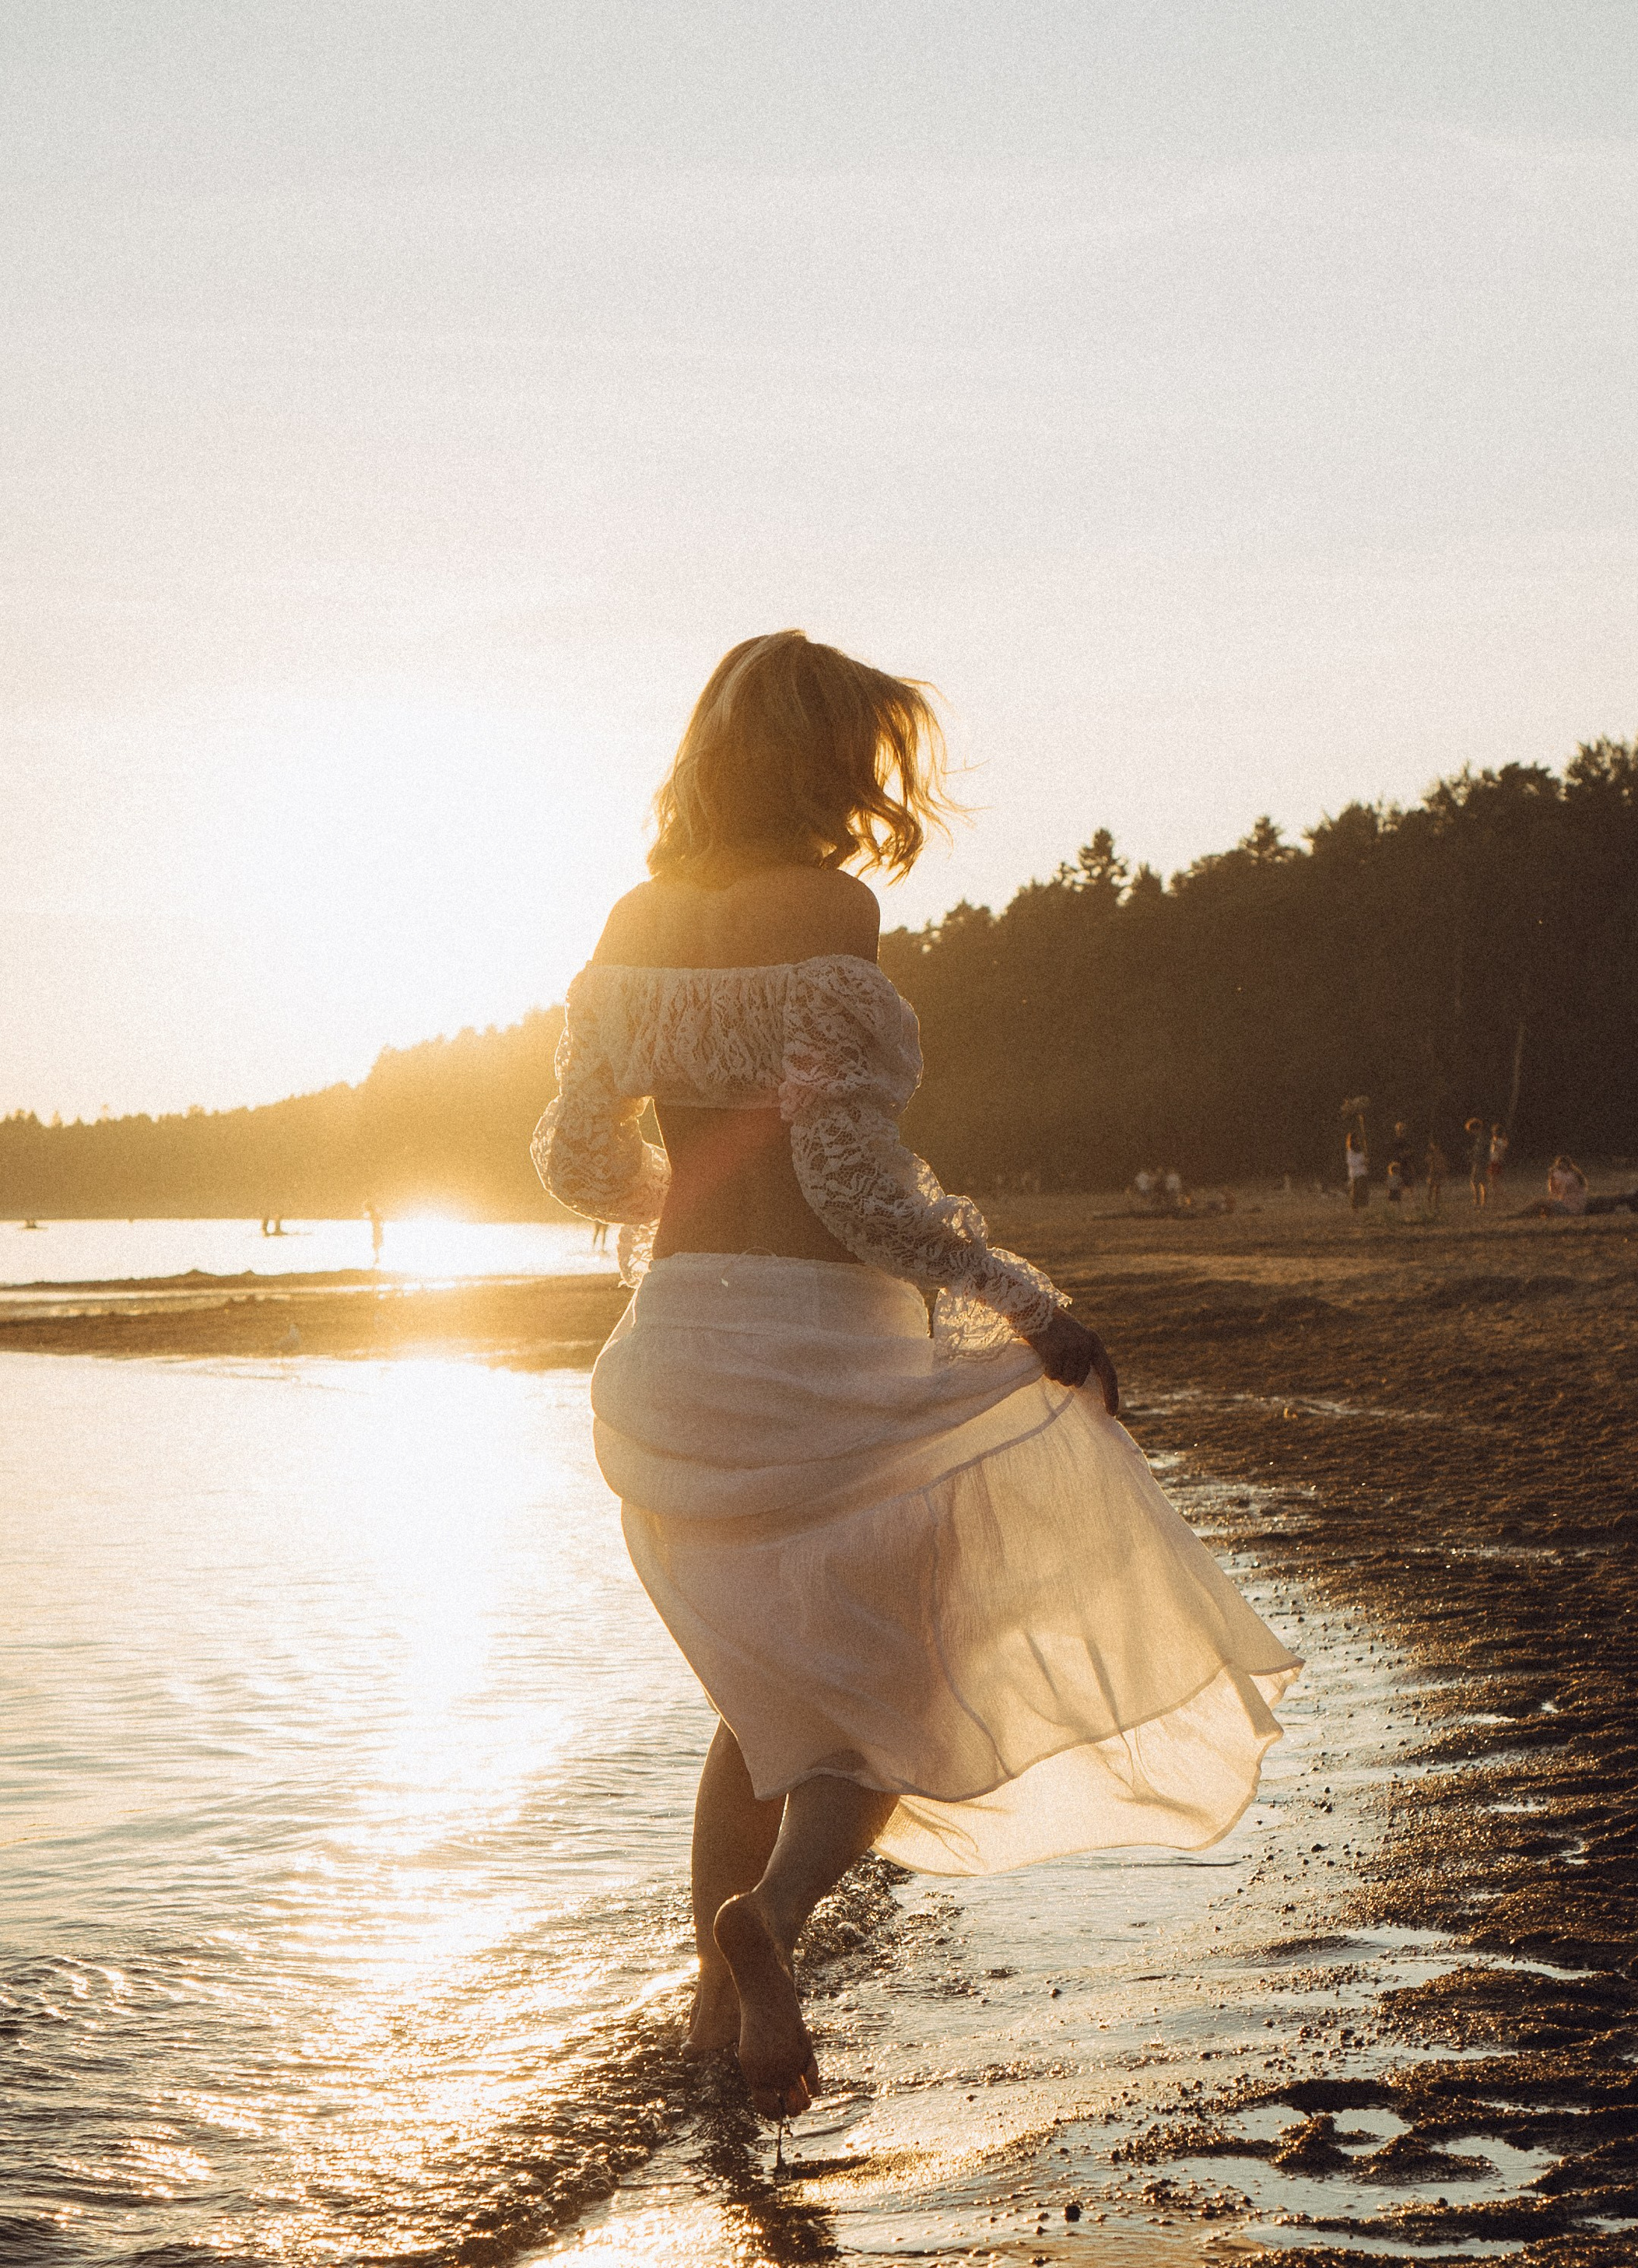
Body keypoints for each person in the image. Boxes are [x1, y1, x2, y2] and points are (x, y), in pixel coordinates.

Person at [531, 632, 1297, 2121]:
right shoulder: (827, 906)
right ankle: (770, 1923)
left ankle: (717, 2026)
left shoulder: (632, 919)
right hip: (821, 1342)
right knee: (893, 1681)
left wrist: (669, 1221)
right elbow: (853, 1181)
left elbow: (574, 1162)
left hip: (674, 1355)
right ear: (828, 764)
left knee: (762, 1705)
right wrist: (1029, 1304)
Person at [1465, 1117, 1489, 1208]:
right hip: (1479, 1162)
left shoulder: (1482, 1139)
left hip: (1481, 1163)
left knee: (1479, 1182)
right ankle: (1480, 1202)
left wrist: (1474, 1156)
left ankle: (1480, 1202)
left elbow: (1482, 1152)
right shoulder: (1481, 1138)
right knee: (1479, 1182)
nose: (1471, 1133)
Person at [1345, 1130, 1370, 1211]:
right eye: (1355, 1139)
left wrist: (1366, 1161)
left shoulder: (1361, 1150)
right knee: (1355, 1192)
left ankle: (1363, 1206)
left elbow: (1363, 1160)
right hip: (1355, 1174)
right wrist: (1362, 1161)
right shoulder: (1350, 1151)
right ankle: (1355, 1207)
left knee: (1363, 1190)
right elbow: (1351, 1162)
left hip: (1362, 1172)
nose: (1356, 1141)